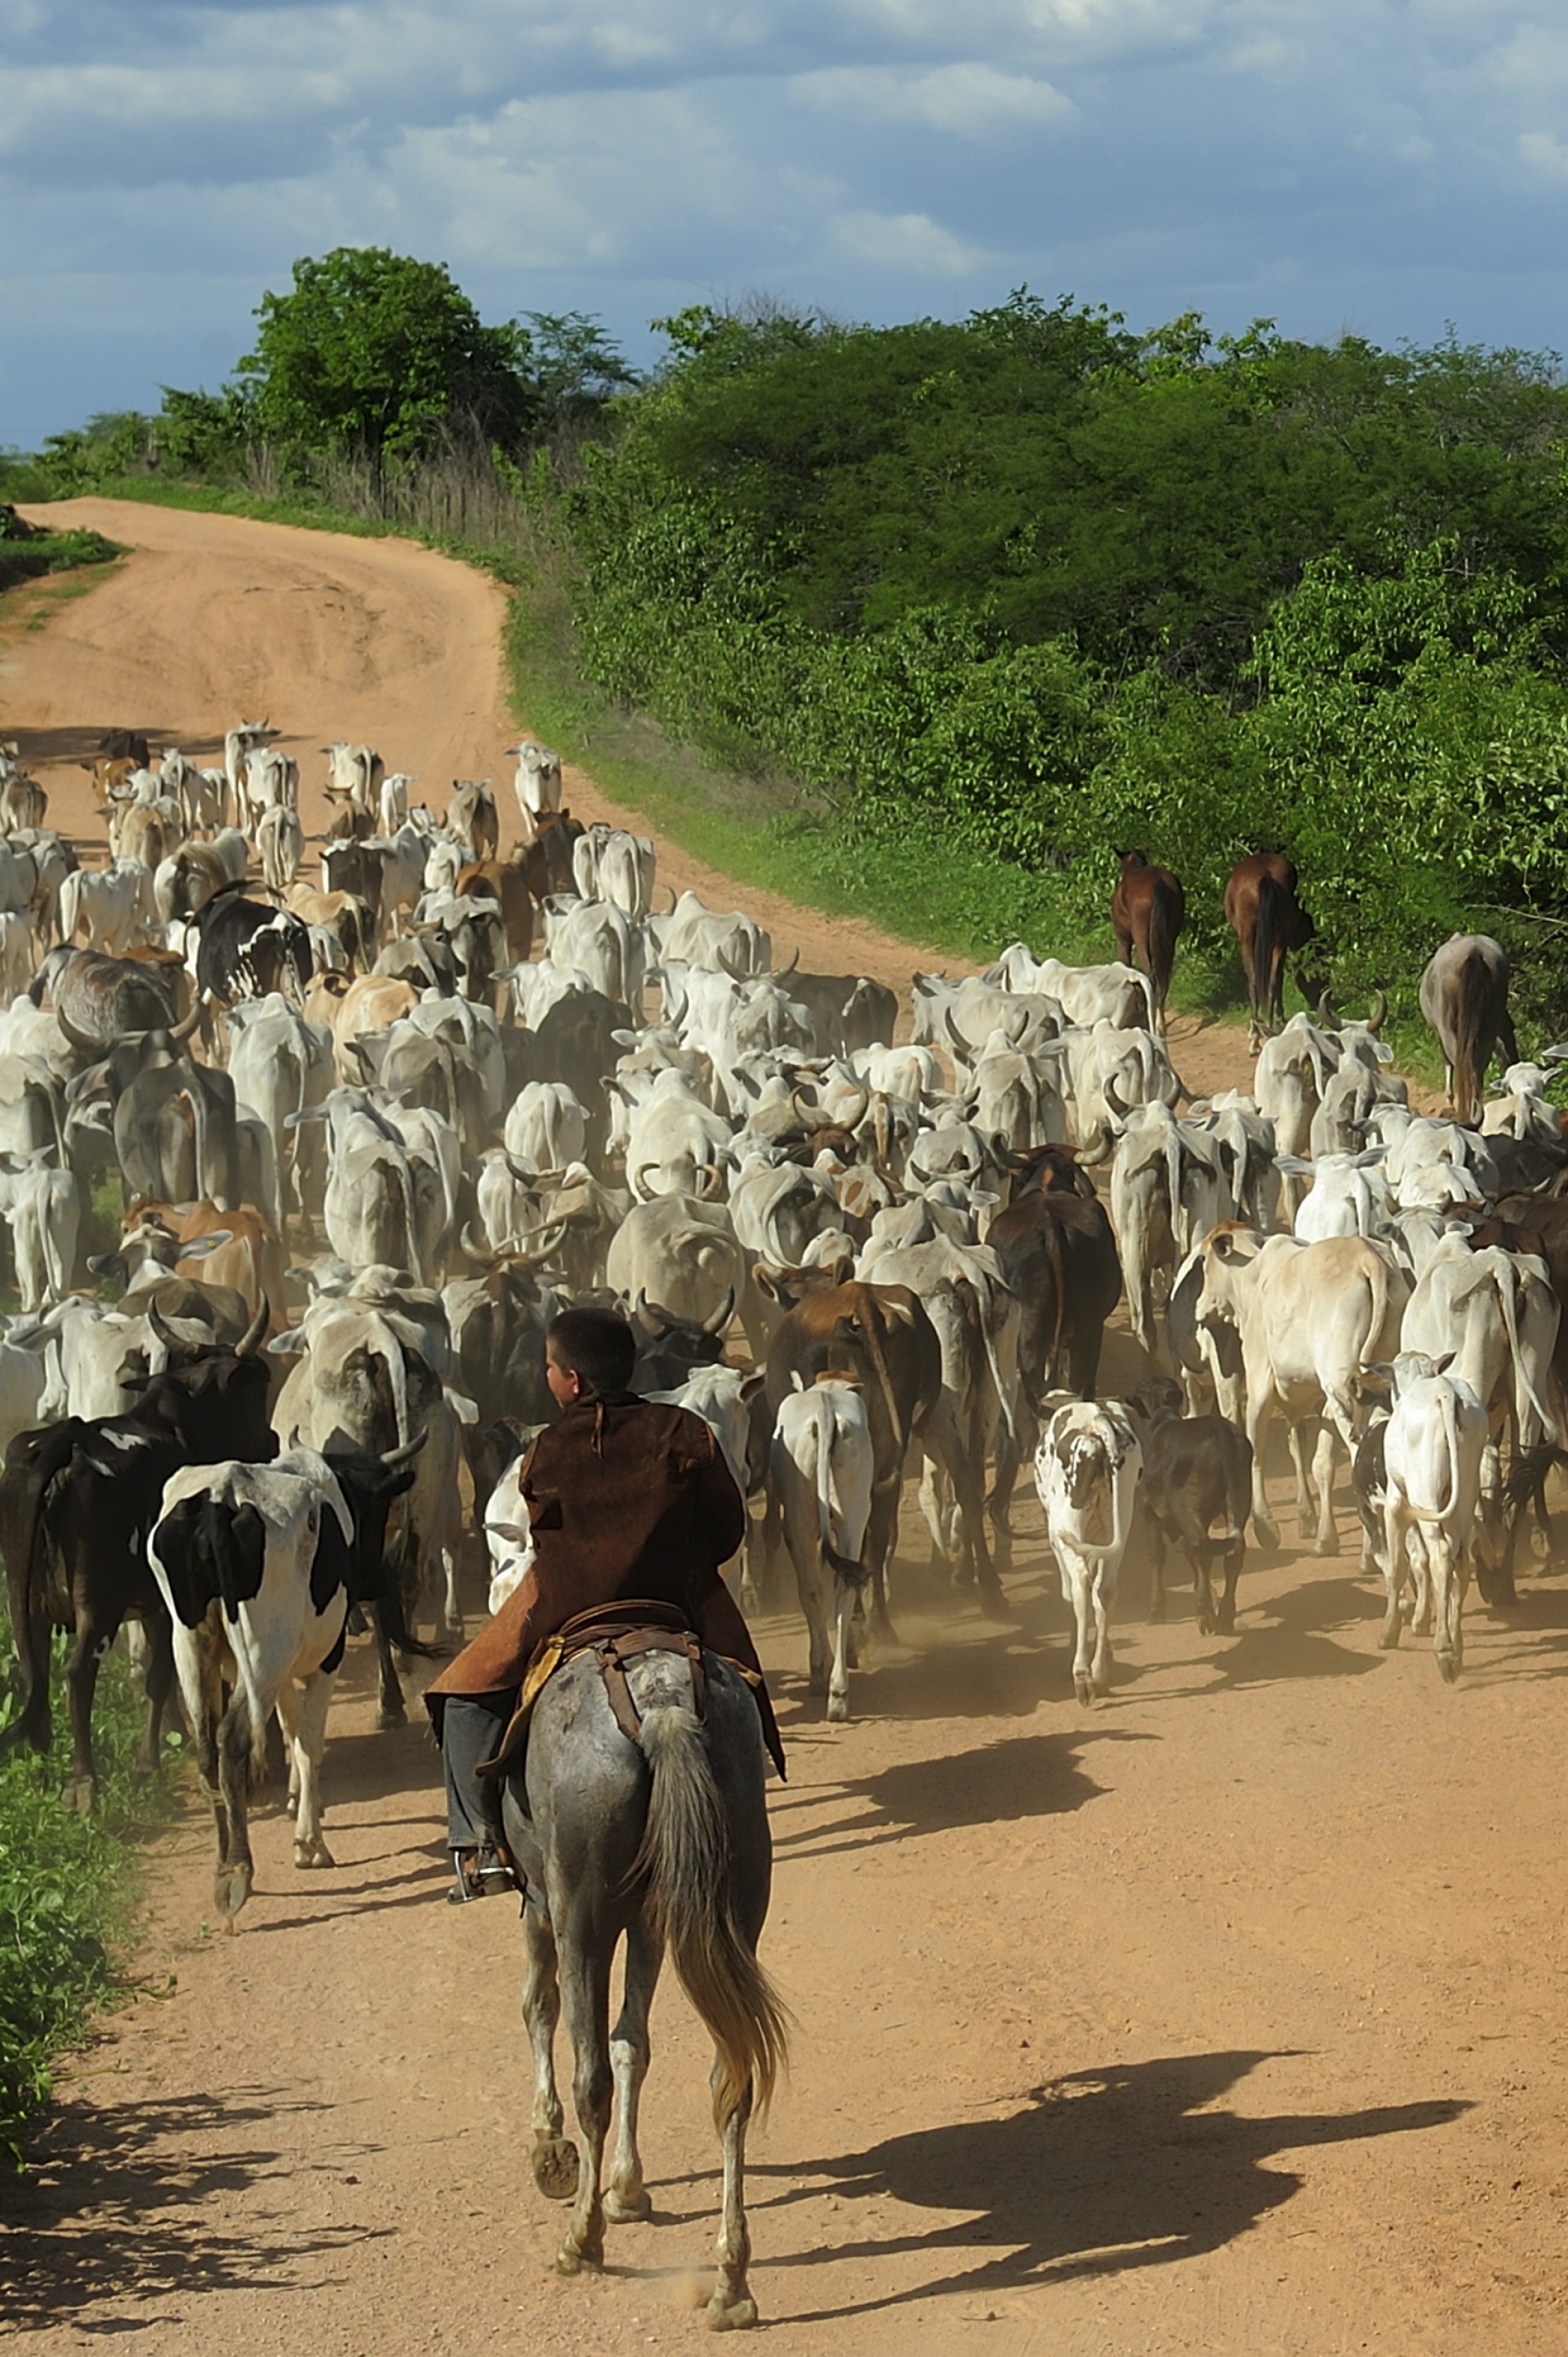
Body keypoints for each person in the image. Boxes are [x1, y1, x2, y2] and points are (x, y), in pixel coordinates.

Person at [426, 1304, 783, 1901]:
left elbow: (543, 1538)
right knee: (741, 1683)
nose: (545, 1376)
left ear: (573, 1381)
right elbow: (727, 1530)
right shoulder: (686, 1430)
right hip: (677, 1595)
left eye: (548, 1367)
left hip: (569, 1602)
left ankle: (482, 1848)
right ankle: (755, 1783)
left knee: (463, 1692)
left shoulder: (545, 1450)